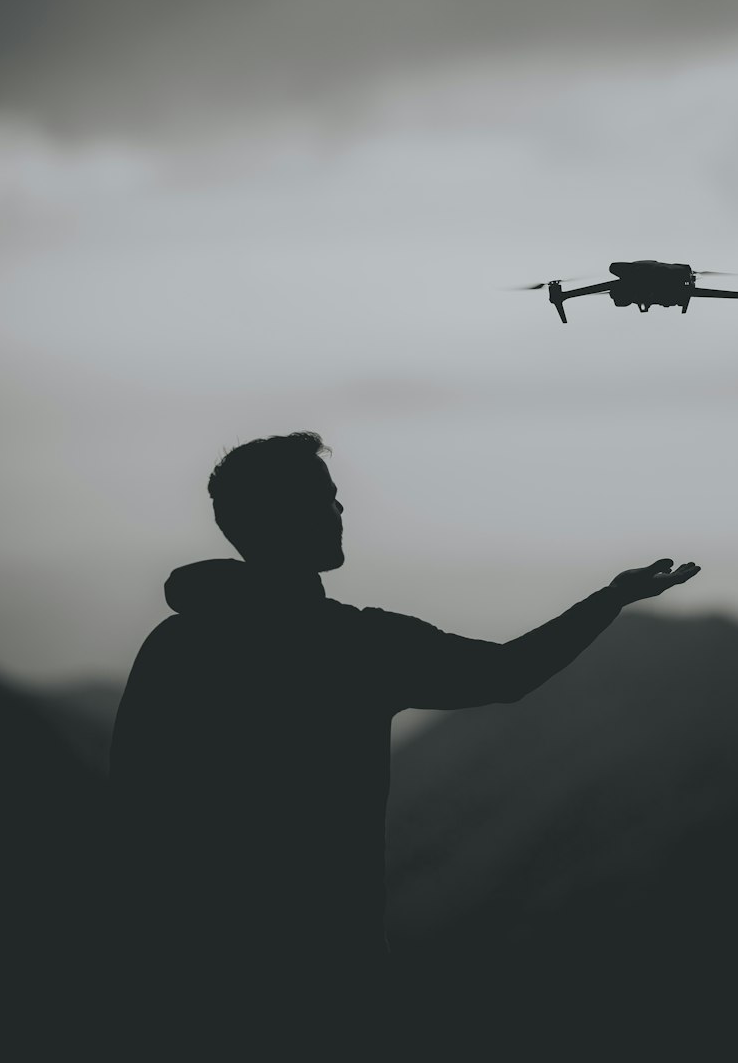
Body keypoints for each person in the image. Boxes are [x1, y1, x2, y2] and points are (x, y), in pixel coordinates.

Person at [110, 431, 699, 1060]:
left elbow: (134, 805)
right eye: (325, 499)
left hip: (190, 982)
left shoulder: (174, 648)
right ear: (284, 517)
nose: (340, 512)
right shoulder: (353, 647)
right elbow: (507, 674)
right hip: (328, 981)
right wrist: (610, 601)